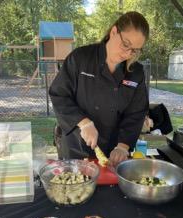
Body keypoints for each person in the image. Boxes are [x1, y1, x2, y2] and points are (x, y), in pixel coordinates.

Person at [49, 11, 149, 166]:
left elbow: (136, 112)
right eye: (126, 44)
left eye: (135, 50)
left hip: (113, 149)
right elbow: (59, 94)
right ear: (114, 32)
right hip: (76, 145)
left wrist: (123, 146)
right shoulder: (81, 58)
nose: (128, 53)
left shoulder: (136, 72)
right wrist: (84, 123)